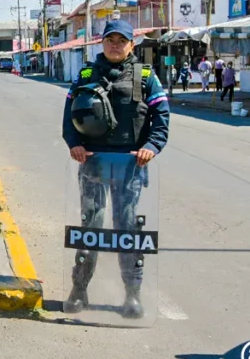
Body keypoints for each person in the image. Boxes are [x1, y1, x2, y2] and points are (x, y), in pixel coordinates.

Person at [62, 19, 170, 318]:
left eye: (121, 40)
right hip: (93, 163)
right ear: (102, 42)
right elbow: (69, 115)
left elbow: (161, 116)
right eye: (110, 39)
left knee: (127, 229)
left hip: (130, 165)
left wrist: (152, 146)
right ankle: (79, 288)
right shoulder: (85, 73)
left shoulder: (146, 76)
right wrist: (74, 143)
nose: (115, 45)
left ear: (131, 45)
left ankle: (132, 294)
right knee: (90, 228)